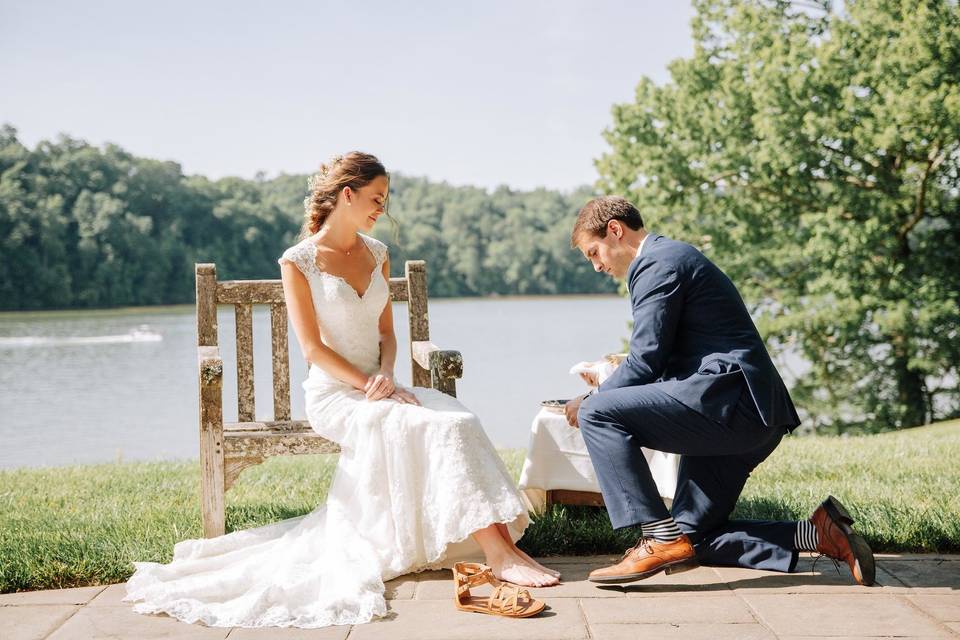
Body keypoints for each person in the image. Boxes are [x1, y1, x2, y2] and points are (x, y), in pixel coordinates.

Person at [124, 152, 557, 629]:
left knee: (456, 418)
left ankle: (506, 547)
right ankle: (498, 554)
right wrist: (368, 384)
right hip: (337, 395)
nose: (381, 209)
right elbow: (311, 348)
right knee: (425, 425)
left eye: (385, 200)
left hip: (384, 385)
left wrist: (387, 375)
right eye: (375, 199)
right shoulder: (298, 261)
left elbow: (388, 333)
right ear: (346, 195)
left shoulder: (376, 252)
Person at [565, 196, 875, 586]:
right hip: (749, 412)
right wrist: (613, 376)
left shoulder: (655, 264)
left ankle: (656, 536)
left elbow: (646, 362)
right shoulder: (669, 258)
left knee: (598, 413)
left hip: (729, 404)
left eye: (594, 252)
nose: (596, 265)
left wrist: (592, 399)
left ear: (615, 230)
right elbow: (670, 351)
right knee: (693, 539)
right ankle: (820, 533)